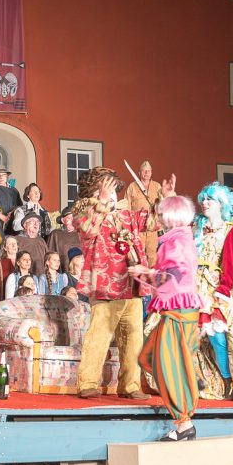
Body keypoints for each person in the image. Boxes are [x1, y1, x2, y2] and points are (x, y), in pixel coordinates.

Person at [74, 167, 149, 400]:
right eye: (106, 190)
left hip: (131, 285)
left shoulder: (125, 215)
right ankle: (87, 383)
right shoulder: (84, 212)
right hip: (105, 286)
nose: (113, 195)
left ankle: (130, 385)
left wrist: (165, 201)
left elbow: (152, 221)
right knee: (99, 335)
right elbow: (88, 230)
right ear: (93, 191)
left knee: (134, 338)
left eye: (114, 190)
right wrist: (102, 202)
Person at [136, 195, 200, 440]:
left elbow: (171, 280)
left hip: (178, 313)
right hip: (180, 311)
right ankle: (184, 398)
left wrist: (143, 274)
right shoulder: (182, 237)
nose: (158, 218)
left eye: (162, 214)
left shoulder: (176, 243)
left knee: (168, 366)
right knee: (149, 357)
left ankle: (184, 423)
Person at [191, 181, 233, 401]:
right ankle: (194, 381)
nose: (205, 203)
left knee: (218, 339)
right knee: (189, 337)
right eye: (203, 199)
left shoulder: (231, 230)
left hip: (213, 292)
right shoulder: (196, 227)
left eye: (210, 199)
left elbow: (230, 264)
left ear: (222, 204)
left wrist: (223, 289)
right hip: (192, 289)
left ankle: (230, 381)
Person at [0, 237, 20, 304]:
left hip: (20, 299)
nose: (14, 245)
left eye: (15, 243)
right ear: (5, 248)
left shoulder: (23, 261)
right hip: (5, 299)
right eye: (10, 244)